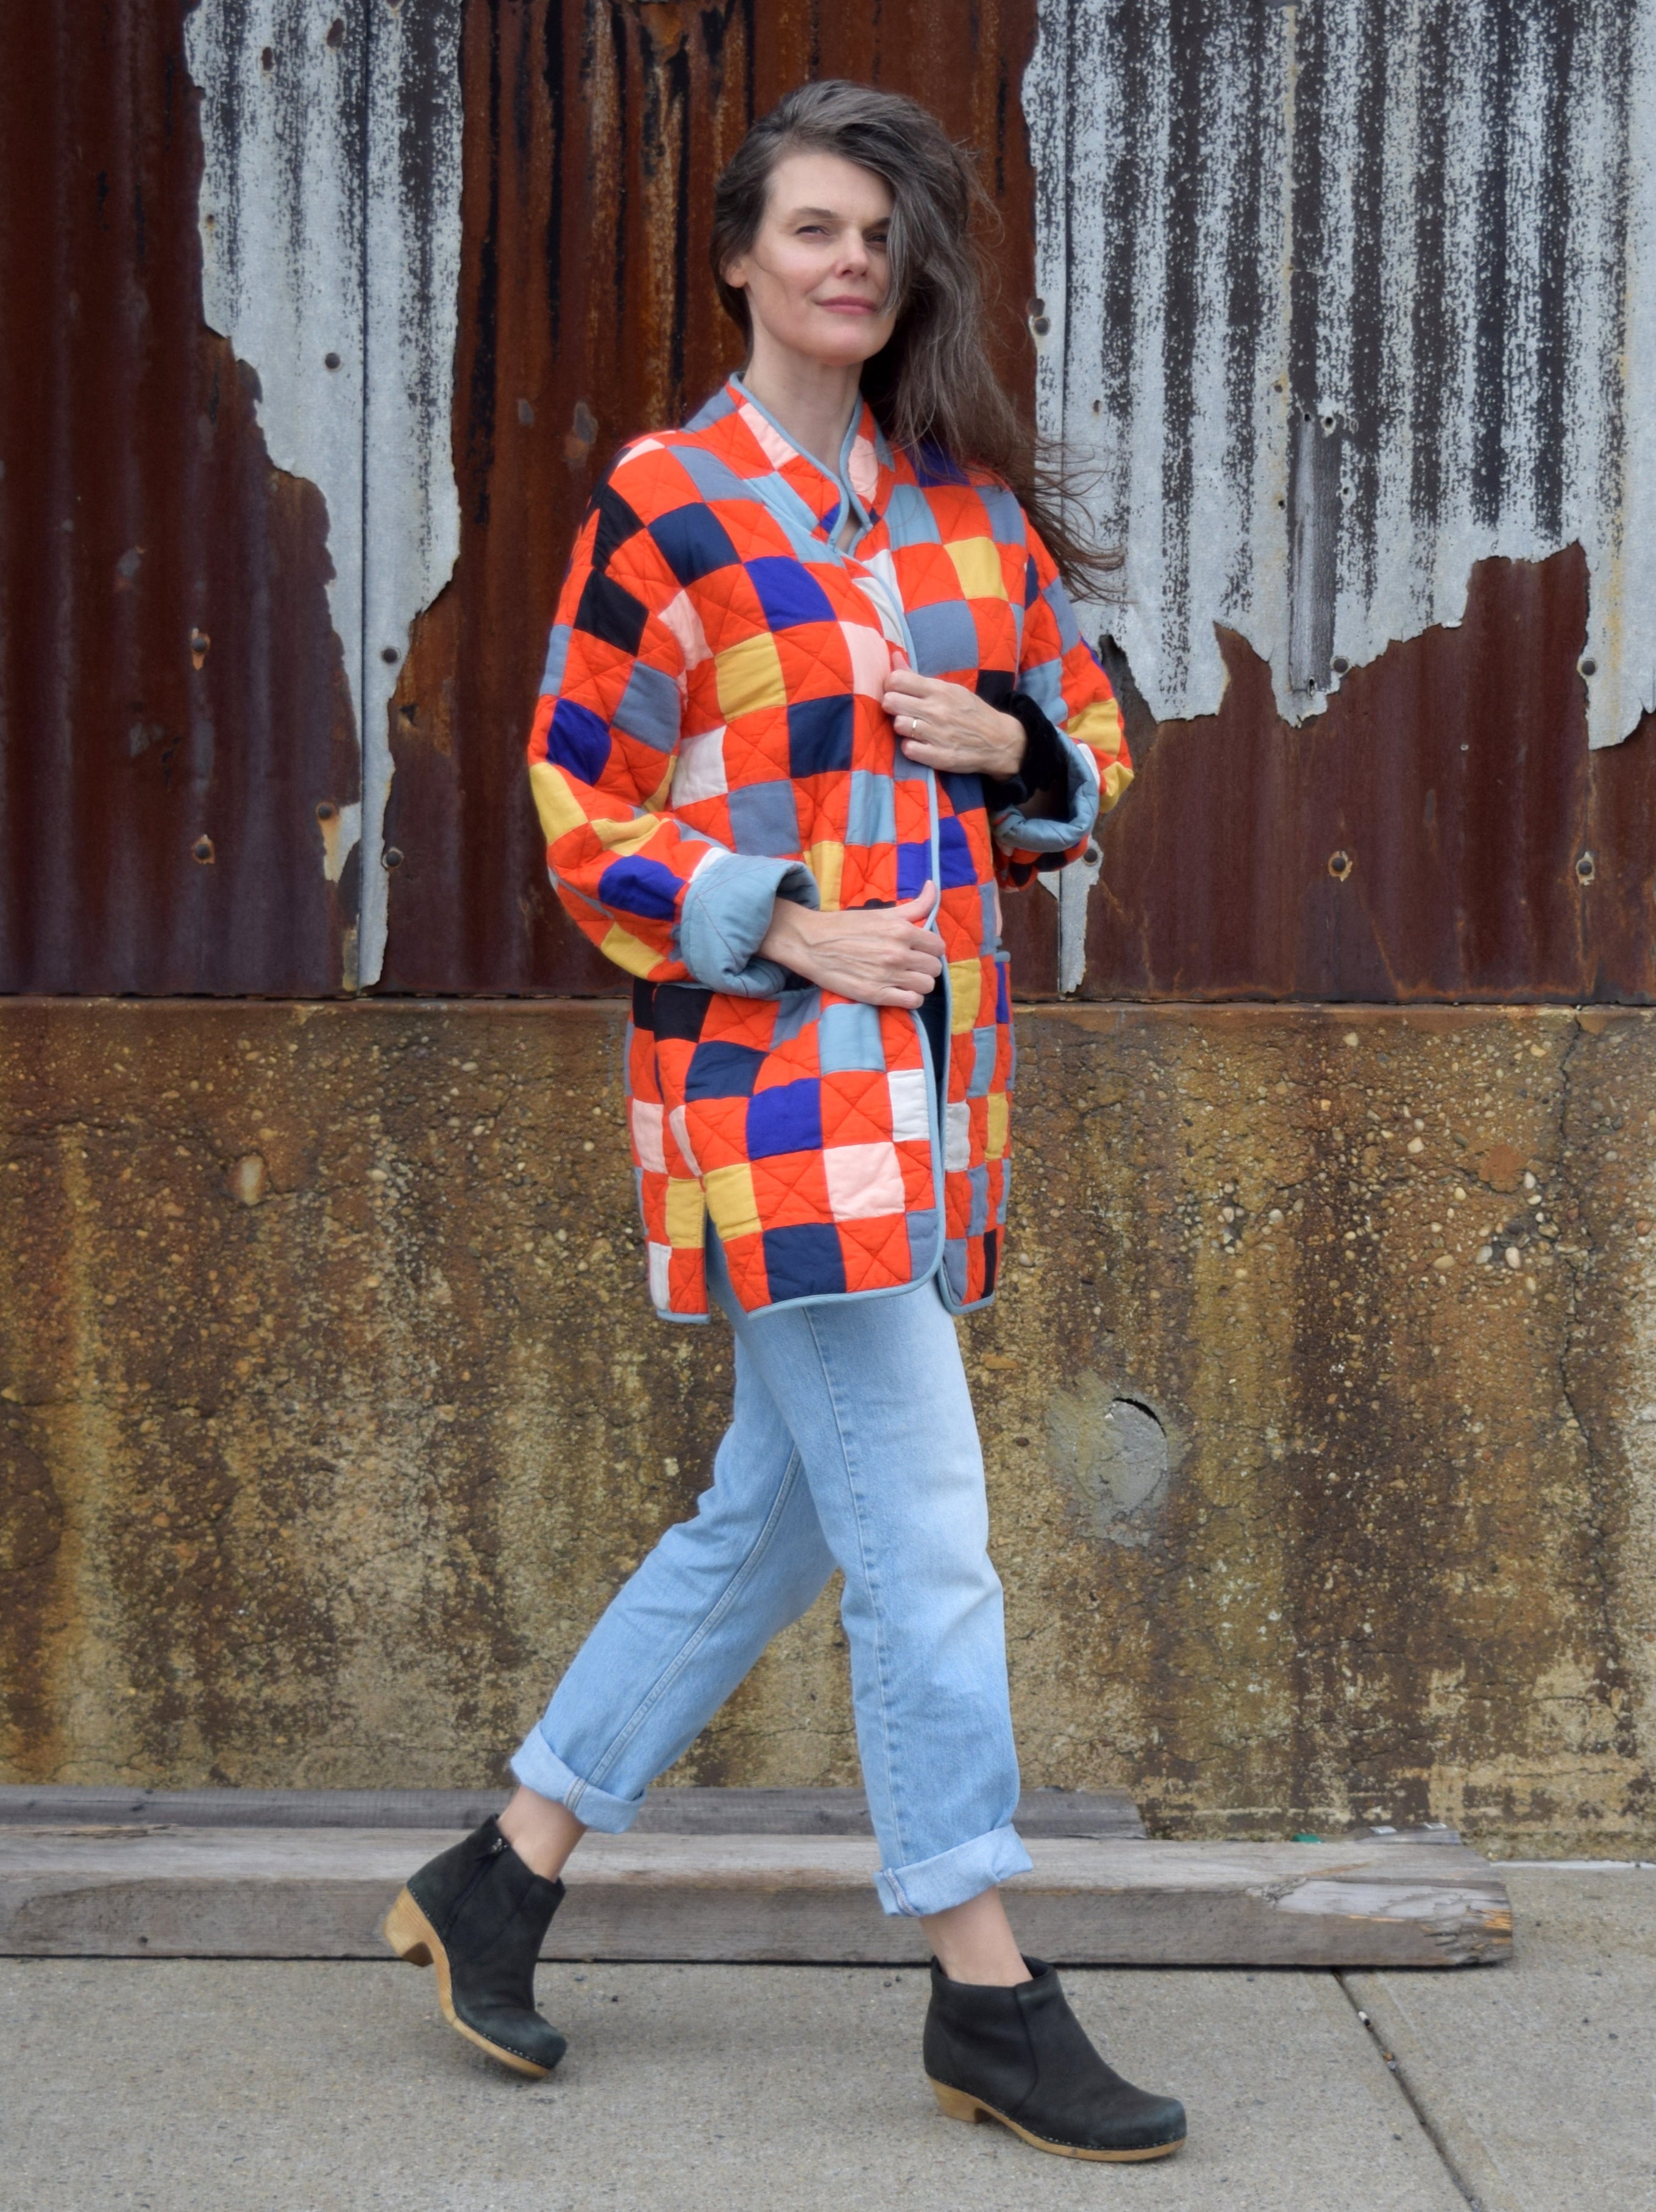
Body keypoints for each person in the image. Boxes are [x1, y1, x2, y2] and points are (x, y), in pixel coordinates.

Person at [378, 79, 1183, 2164]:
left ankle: (505, 1871)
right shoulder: (671, 503)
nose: (851, 264)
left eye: (880, 238)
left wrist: (1013, 742)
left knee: (785, 1517)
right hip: (764, 1088)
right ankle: (986, 1988)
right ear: (740, 256)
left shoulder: (964, 511)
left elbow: (1085, 748)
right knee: (924, 1529)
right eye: (814, 229)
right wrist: (784, 926)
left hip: (939, 1099)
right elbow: (584, 806)